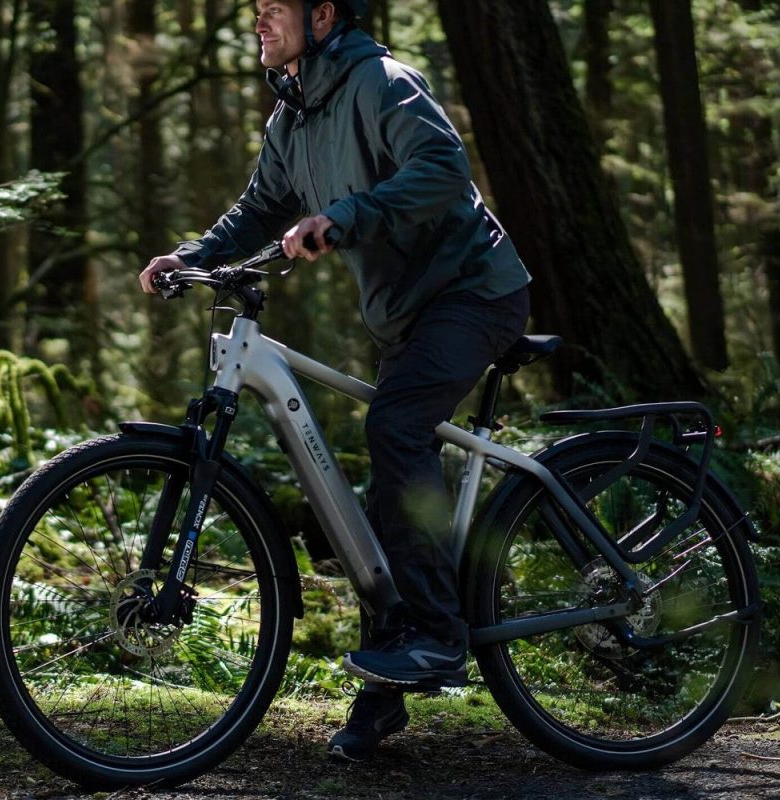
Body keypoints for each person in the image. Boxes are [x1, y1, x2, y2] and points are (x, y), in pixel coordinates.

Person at [138, 0, 531, 762]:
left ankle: (438, 637)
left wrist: (344, 215)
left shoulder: (381, 82)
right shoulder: (292, 115)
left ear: (322, 15)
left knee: (395, 429)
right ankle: (386, 687)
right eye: (255, 11)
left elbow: (444, 170)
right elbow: (261, 207)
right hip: (408, 316)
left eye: (273, 10)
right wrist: (190, 257)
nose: (259, 23)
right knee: (375, 496)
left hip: (473, 293)